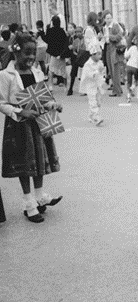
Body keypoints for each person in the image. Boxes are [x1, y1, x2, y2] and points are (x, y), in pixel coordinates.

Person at [0, 32, 63, 223]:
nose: (30, 57)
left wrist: (53, 105)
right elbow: (1, 102)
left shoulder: (36, 71)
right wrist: (20, 112)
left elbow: (43, 97)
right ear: (15, 52)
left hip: (38, 123)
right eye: (26, 53)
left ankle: (39, 196)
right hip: (19, 125)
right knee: (25, 164)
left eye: (33, 53)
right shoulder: (6, 75)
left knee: (40, 161)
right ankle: (29, 204)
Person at [79, 44, 104, 126]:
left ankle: (91, 116)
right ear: (93, 55)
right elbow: (89, 75)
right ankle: (97, 117)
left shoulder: (100, 63)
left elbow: (102, 73)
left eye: (101, 54)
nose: (100, 56)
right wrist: (97, 71)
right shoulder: (88, 64)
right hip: (90, 86)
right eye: (98, 54)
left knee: (98, 102)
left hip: (98, 86)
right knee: (93, 101)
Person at [43, 15, 69, 91]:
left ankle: (50, 86)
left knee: (51, 70)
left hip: (53, 54)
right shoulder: (62, 31)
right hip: (61, 54)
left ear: (52, 23)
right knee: (63, 70)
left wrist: (43, 33)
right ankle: (66, 86)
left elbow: (46, 40)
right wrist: (63, 53)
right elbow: (65, 42)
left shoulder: (50, 30)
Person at [102, 10, 124, 98]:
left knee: (115, 70)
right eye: (107, 18)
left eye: (110, 18)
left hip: (114, 48)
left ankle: (117, 91)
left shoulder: (115, 26)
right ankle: (117, 89)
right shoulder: (104, 28)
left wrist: (110, 37)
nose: (109, 20)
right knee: (111, 70)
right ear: (104, 19)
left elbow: (120, 36)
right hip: (107, 48)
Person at [67, 26, 84, 96]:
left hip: (83, 58)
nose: (78, 33)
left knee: (84, 74)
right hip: (76, 58)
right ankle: (70, 89)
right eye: (76, 32)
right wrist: (76, 54)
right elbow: (73, 50)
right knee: (73, 73)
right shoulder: (75, 41)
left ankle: (84, 89)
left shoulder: (85, 40)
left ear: (82, 32)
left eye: (79, 32)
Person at [124, 37, 138, 103]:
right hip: (136, 67)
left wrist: (126, 49)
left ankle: (128, 96)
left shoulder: (131, 48)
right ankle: (132, 88)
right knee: (137, 80)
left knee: (129, 82)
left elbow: (126, 56)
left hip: (129, 65)